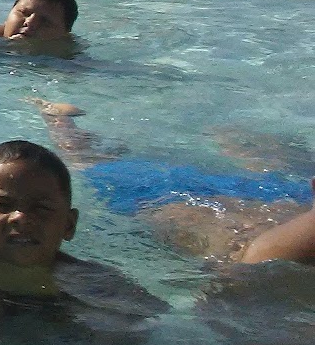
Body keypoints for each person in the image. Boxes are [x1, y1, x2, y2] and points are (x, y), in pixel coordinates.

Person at [30, 99, 315, 265]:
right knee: (90, 163)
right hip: (166, 199)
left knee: (96, 162)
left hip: (263, 202)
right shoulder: (270, 249)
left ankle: (61, 120)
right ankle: (59, 119)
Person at [0, 140, 83, 296]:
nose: (20, 217)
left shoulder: (99, 290)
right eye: (2, 205)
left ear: (68, 225)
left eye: (40, 208)